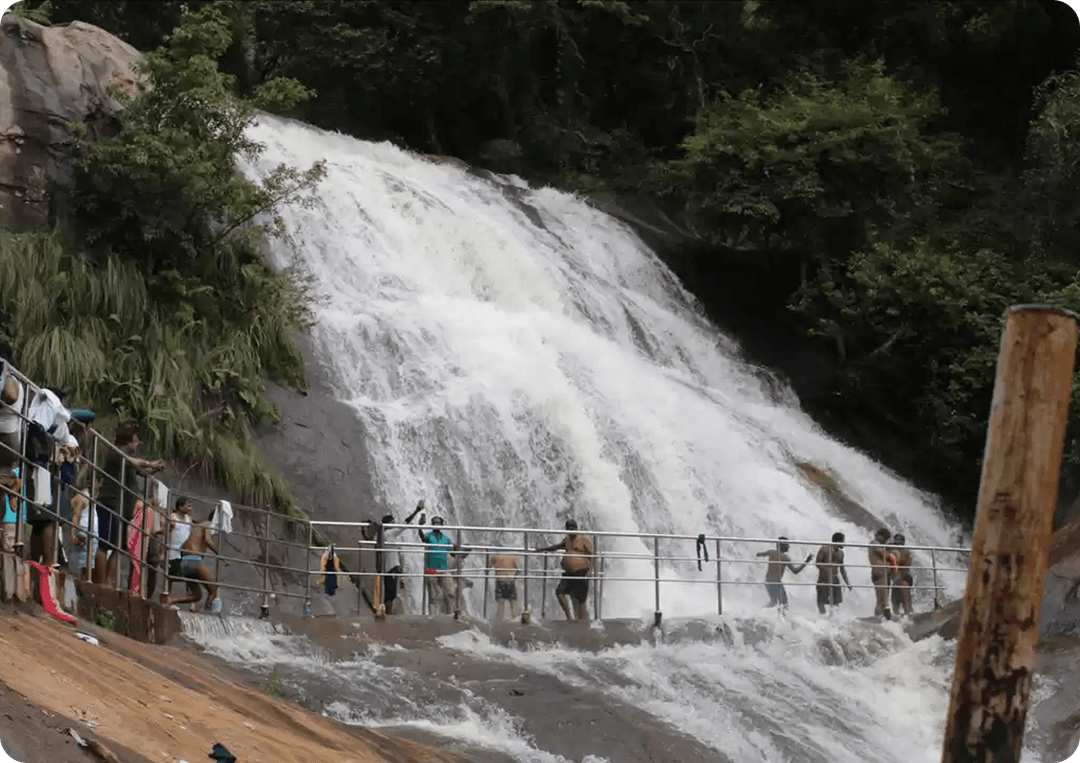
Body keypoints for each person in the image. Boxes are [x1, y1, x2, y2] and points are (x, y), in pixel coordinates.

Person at [94, 424, 165, 587]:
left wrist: (155, 468)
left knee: (119, 546)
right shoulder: (115, 452)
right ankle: (100, 582)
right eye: (135, 441)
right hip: (110, 501)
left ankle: (109, 581)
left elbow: (142, 472)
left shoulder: (128, 459)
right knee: (104, 544)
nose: (137, 443)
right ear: (127, 442)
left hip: (123, 507)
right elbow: (134, 462)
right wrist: (150, 463)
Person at [537, 519, 594, 621]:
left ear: (576, 529)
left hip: (581, 572)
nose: (571, 531)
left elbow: (592, 554)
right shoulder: (567, 540)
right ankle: (569, 618)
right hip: (568, 574)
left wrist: (590, 570)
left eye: (573, 529)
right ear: (567, 530)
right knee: (559, 592)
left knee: (581, 599)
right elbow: (556, 547)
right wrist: (542, 549)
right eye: (569, 529)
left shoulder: (584, 538)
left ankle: (581, 622)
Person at [166, 507, 219, 611]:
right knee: (213, 590)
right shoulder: (207, 524)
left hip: (185, 562)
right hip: (193, 560)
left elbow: (184, 545)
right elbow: (208, 540)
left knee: (197, 596)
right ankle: (207, 615)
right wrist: (220, 555)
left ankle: (170, 600)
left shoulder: (197, 527)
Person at [417, 514, 459, 615]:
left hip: (444, 568)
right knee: (432, 596)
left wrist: (459, 550)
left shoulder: (445, 538)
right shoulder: (429, 536)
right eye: (434, 523)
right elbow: (422, 537)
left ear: (442, 524)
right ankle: (432, 617)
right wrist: (420, 526)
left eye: (438, 523)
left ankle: (451, 614)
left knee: (451, 593)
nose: (436, 525)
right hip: (431, 569)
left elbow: (452, 552)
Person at [755, 537, 813, 609]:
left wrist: (758, 554)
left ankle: (763, 611)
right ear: (782, 546)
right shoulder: (785, 557)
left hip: (768, 581)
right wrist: (806, 562)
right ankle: (768, 613)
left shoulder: (771, 552)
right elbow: (795, 571)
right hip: (775, 581)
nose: (789, 547)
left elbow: (758, 554)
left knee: (775, 602)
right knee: (782, 603)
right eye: (787, 545)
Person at [814, 532, 852, 615]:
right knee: (821, 601)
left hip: (835, 579)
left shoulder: (841, 553)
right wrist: (827, 568)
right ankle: (822, 616)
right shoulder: (824, 549)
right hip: (824, 578)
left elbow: (842, 568)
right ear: (838, 541)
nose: (844, 544)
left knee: (836, 602)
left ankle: (833, 617)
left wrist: (848, 583)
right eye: (843, 541)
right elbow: (817, 563)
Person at [69, 490, 97, 581]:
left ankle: (83, 586)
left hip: (85, 530)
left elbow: (76, 516)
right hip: (95, 530)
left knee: (84, 566)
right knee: (90, 565)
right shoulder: (93, 494)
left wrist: (72, 535)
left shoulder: (81, 496)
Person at [868, 527, 893, 620]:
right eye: (885, 538)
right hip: (879, 572)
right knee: (882, 599)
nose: (885, 541)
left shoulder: (876, 544)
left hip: (880, 573)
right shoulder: (874, 543)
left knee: (881, 599)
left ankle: (879, 617)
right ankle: (879, 617)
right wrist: (890, 551)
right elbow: (884, 554)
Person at [490, 553, 521, 620]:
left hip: (500, 581)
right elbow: (518, 570)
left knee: (500, 604)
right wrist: (513, 576)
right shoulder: (514, 556)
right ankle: (515, 619)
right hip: (510, 581)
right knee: (513, 602)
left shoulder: (495, 556)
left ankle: (500, 620)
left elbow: (488, 567)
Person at [890, 533, 914, 617]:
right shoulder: (895, 552)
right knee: (895, 604)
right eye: (896, 540)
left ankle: (910, 618)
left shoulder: (904, 551)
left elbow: (900, 562)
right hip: (897, 580)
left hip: (904, 579)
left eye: (898, 541)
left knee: (906, 603)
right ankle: (901, 621)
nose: (897, 543)